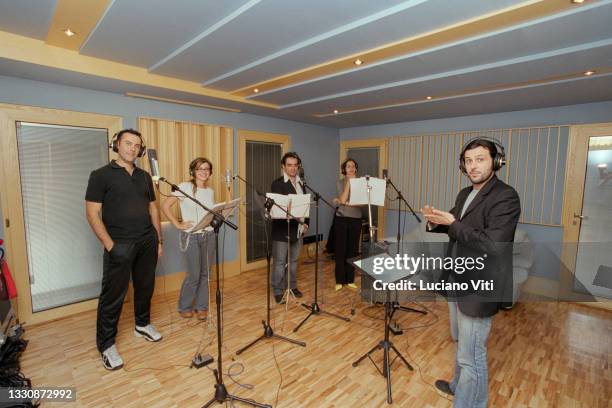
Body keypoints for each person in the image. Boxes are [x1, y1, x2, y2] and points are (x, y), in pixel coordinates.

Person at [422, 138, 520, 408]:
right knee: (460, 342)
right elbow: (454, 228)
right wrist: (434, 222)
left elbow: (492, 245)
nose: (473, 166)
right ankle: (457, 386)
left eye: (480, 159)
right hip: (457, 279)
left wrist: (453, 223)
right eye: (468, 160)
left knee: (472, 353)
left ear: (496, 162)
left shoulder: (506, 196)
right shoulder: (465, 194)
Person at [85, 128, 163, 371]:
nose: (132, 148)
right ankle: (106, 345)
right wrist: (110, 246)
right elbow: (92, 214)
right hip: (119, 244)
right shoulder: (100, 175)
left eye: (137, 145)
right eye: (128, 143)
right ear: (116, 145)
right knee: (112, 296)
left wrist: (158, 240)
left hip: (147, 242)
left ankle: (142, 324)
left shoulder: (144, 176)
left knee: (145, 287)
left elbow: (153, 209)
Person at [161, 157, 215, 321]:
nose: (204, 172)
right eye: (200, 169)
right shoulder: (184, 187)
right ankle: (184, 306)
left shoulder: (210, 191)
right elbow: (165, 206)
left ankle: (201, 307)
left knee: (206, 273)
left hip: (209, 235)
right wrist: (177, 224)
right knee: (194, 274)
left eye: (207, 169)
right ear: (193, 171)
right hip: (191, 236)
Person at [270, 152, 309, 304]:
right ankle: (278, 289)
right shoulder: (277, 183)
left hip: (299, 230)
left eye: (295, 165)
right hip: (282, 230)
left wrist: (306, 224)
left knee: (293, 261)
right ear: (283, 166)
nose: (293, 168)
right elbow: (278, 208)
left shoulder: (302, 184)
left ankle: (292, 286)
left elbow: (306, 207)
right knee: (280, 262)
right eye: (289, 165)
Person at [332, 158, 363, 291]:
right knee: (340, 250)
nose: (350, 169)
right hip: (341, 218)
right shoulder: (340, 182)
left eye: (353, 166)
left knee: (353, 250)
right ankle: (339, 280)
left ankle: (350, 279)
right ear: (344, 170)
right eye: (348, 167)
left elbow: (361, 202)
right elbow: (343, 198)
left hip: (356, 219)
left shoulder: (362, 183)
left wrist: (343, 202)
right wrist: (349, 184)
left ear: (356, 169)